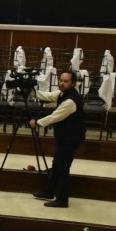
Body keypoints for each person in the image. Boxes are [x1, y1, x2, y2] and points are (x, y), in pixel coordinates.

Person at [30, 69, 86, 208]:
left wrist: (37, 123)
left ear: (73, 83)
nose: (62, 83)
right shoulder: (63, 93)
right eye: (60, 80)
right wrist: (31, 91)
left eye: (66, 81)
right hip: (64, 137)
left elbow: (54, 117)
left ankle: (62, 199)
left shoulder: (71, 100)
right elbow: (48, 95)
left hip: (71, 138)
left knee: (62, 168)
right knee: (56, 165)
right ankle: (49, 191)